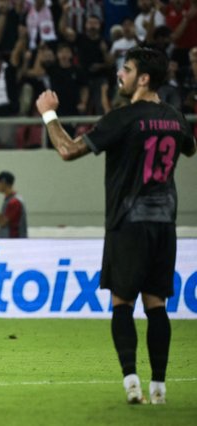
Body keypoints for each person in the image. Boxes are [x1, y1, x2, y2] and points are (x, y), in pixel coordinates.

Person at [35, 47, 196, 405]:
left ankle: (132, 383)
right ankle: (160, 388)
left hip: (128, 221)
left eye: (126, 69)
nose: (119, 75)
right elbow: (189, 149)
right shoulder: (174, 116)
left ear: (143, 78)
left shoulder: (123, 117)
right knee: (157, 305)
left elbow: (68, 150)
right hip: (164, 224)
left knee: (122, 303)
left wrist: (49, 116)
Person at [0, 171, 27, 238]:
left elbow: (3, 223)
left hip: (14, 243)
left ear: (4, 183)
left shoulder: (14, 202)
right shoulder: (10, 200)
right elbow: (10, 224)